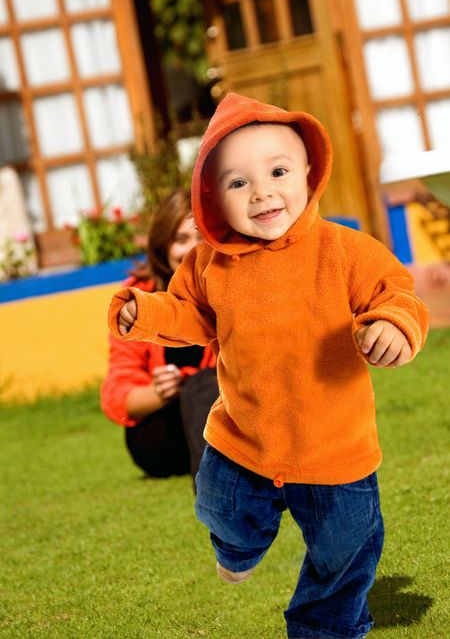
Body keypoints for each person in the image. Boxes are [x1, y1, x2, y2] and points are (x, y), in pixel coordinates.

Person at [108, 93, 429, 639]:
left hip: (336, 448)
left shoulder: (344, 251)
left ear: (308, 169)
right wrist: (143, 311)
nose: (261, 193)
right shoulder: (209, 263)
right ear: (212, 197)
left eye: (278, 170)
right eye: (238, 183)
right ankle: (237, 544)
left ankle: (323, 629)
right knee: (221, 507)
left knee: (347, 552)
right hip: (243, 440)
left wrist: (393, 327)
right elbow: (187, 312)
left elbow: (395, 293)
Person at [101, 189, 217, 480]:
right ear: (164, 245)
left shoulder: (237, 285)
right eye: (181, 239)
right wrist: (161, 391)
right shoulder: (137, 300)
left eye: (203, 237)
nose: (194, 250)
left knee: (205, 385)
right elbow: (118, 394)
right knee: (197, 388)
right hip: (168, 432)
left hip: (233, 413)